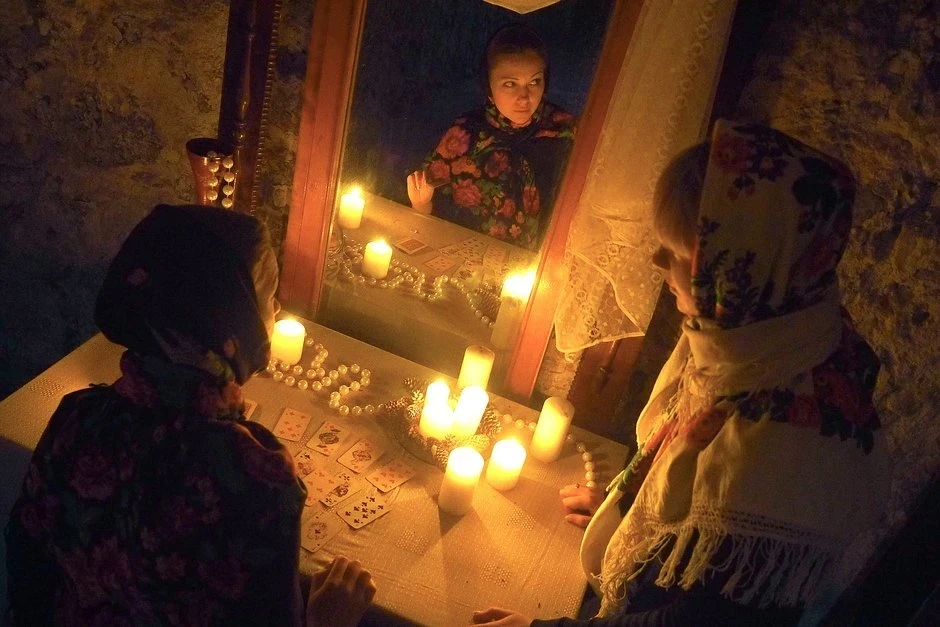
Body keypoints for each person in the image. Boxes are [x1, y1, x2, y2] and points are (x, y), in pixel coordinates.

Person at [472, 120, 892, 625]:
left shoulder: (779, 458)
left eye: (676, 254)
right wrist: (636, 516)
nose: (656, 261)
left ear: (739, 269)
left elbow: (697, 621)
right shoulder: (755, 337)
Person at [5, 204, 376, 626]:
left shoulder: (76, 416)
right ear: (234, 320)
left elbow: (28, 575)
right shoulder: (256, 473)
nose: (276, 310)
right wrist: (328, 619)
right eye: (268, 298)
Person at [406, 23, 576, 251]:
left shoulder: (564, 133)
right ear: (488, 87)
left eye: (534, 82)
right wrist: (421, 204)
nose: (524, 97)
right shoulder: (465, 135)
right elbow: (431, 216)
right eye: (510, 84)